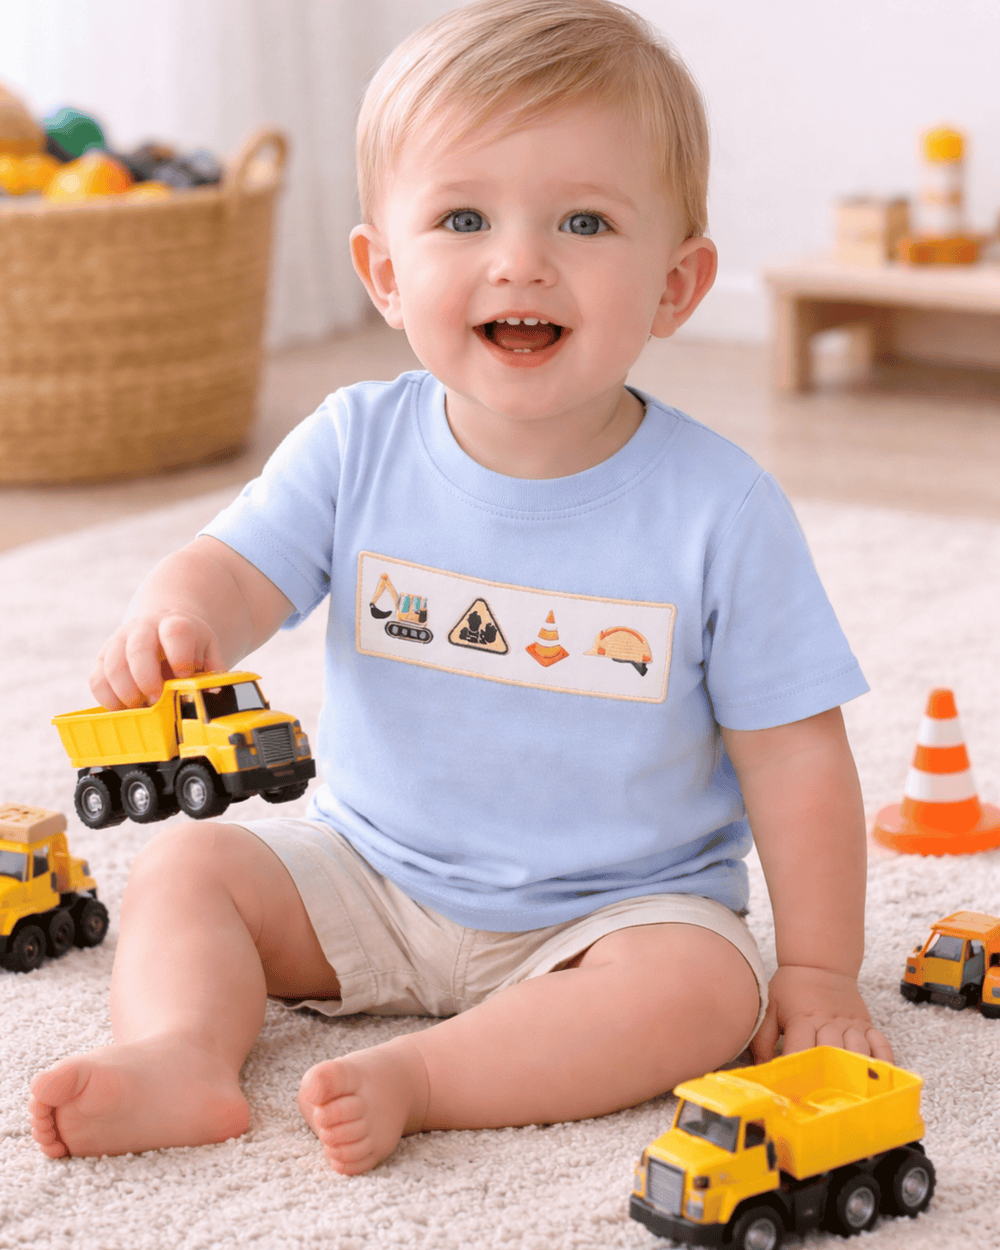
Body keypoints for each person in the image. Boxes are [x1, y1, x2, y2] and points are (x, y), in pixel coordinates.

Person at [29, 0, 892, 1176]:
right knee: (186, 868)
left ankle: (432, 1075)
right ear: (384, 272)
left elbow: (797, 758)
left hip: (614, 913)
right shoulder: (354, 442)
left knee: (703, 989)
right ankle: (182, 1051)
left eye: (584, 219)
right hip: (372, 875)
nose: (519, 258)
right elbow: (233, 569)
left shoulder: (720, 508)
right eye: (463, 217)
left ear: (677, 287)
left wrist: (817, 971)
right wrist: (176, 621)